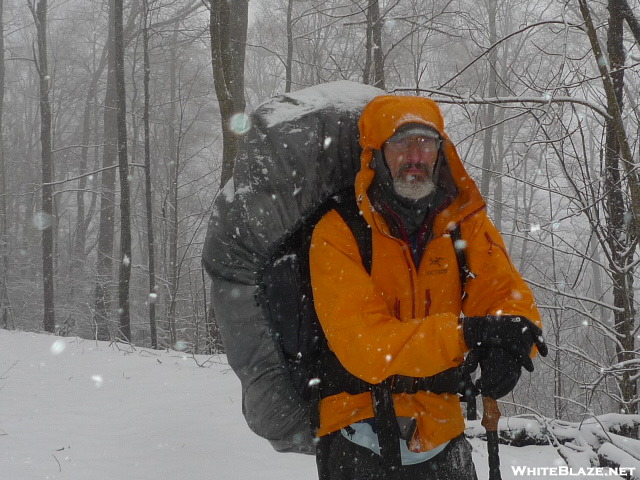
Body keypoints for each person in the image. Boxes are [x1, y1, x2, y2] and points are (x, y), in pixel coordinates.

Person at [309, 95, 547, 480]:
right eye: (402, 144)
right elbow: (366, 347)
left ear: (441, 151)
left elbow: (506, 292)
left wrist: (513, 334)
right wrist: (467, 334)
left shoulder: (460, 225)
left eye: (426, 144)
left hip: (443, 432)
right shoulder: (339, 232)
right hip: (357, 434)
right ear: (377, 154)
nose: (415, 156)